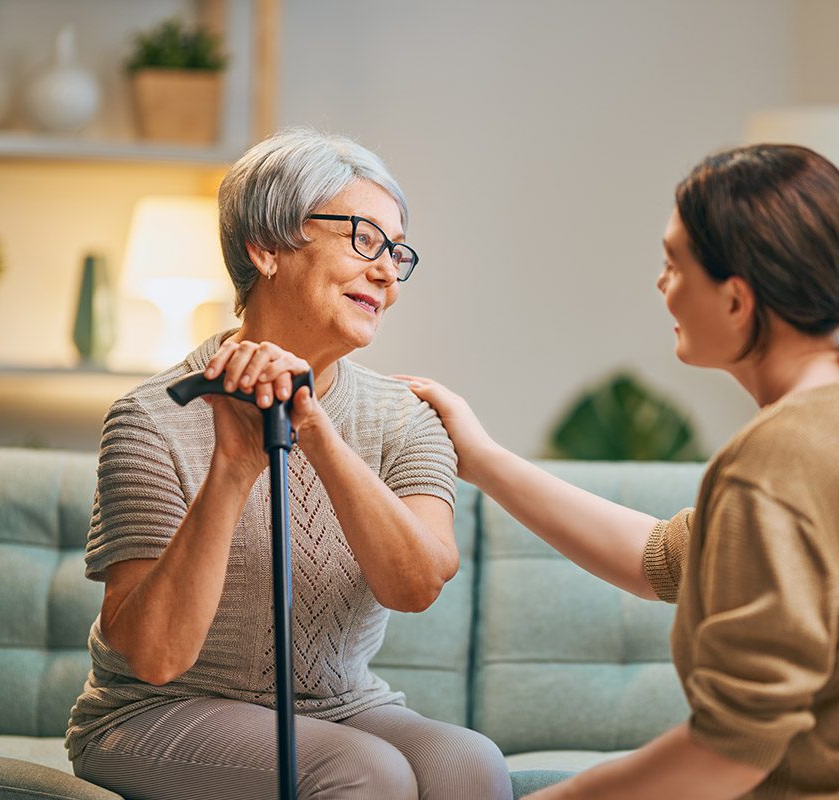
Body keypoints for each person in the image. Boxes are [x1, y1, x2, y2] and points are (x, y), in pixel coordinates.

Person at [401, 144, 839, 799]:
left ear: (738, 300)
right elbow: (659, 557)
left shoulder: (784, 455)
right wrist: (481, 458)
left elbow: (728, 754)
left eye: (672, 264)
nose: (662, 285)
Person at [66, 127, 513, 800]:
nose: (387, 271)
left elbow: (415, 584)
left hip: (339, 705)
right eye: (363, 239)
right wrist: (233, 465)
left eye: (396, 252)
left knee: (471, 766)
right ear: (266, 246)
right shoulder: (150, 418)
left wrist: (315, 428)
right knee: (366, 772)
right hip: (157, 713)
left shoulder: (405, 416)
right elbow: (155, 658)